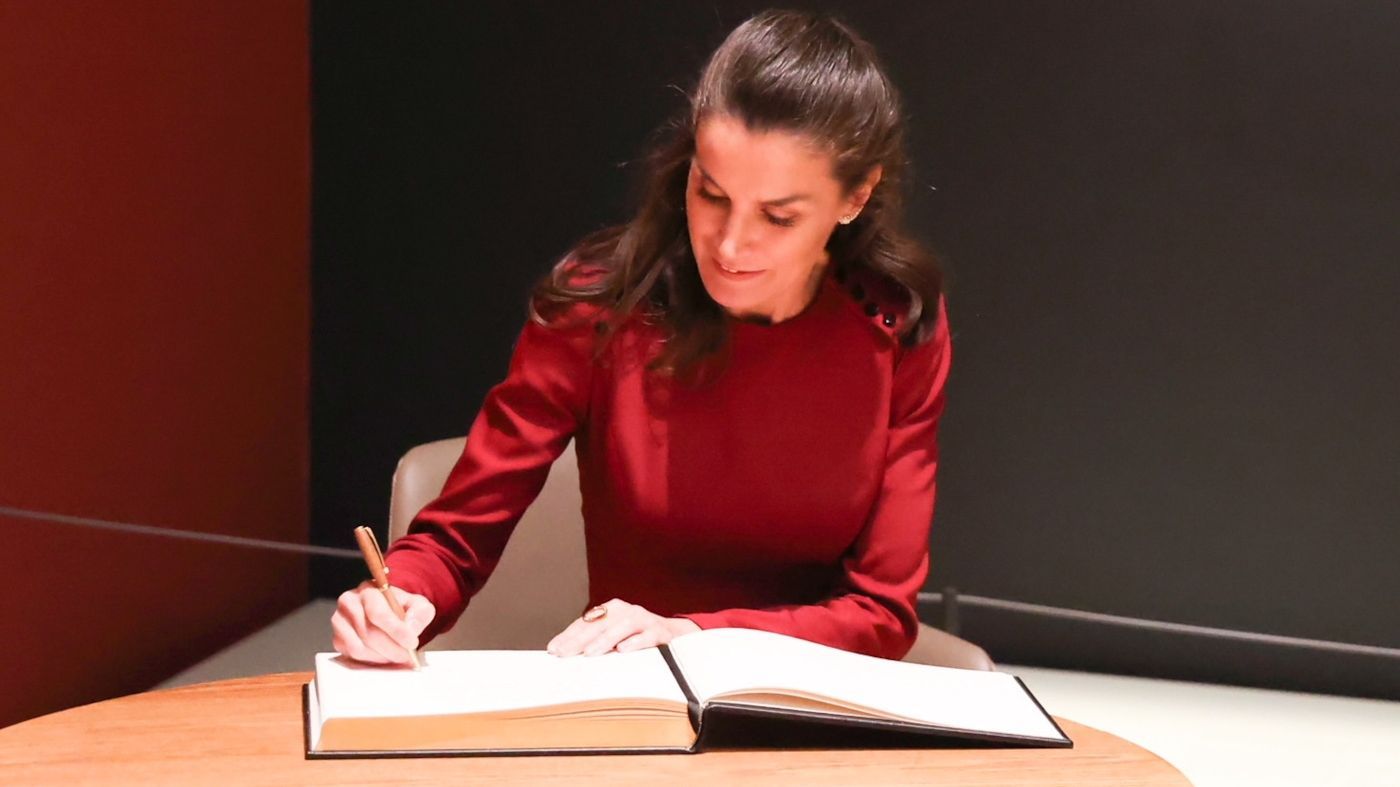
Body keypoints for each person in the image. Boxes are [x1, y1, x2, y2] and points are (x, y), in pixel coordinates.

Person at [331, 9, 950, 667]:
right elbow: (455, 540)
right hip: (638, 698)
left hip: (812, 705)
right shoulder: (602, 305)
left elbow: (881, 612)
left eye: (778, 215)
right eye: (711, 194)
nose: (732, 244)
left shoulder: (895, 327)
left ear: (854, 197)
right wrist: (401, 598)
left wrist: (700, 634)